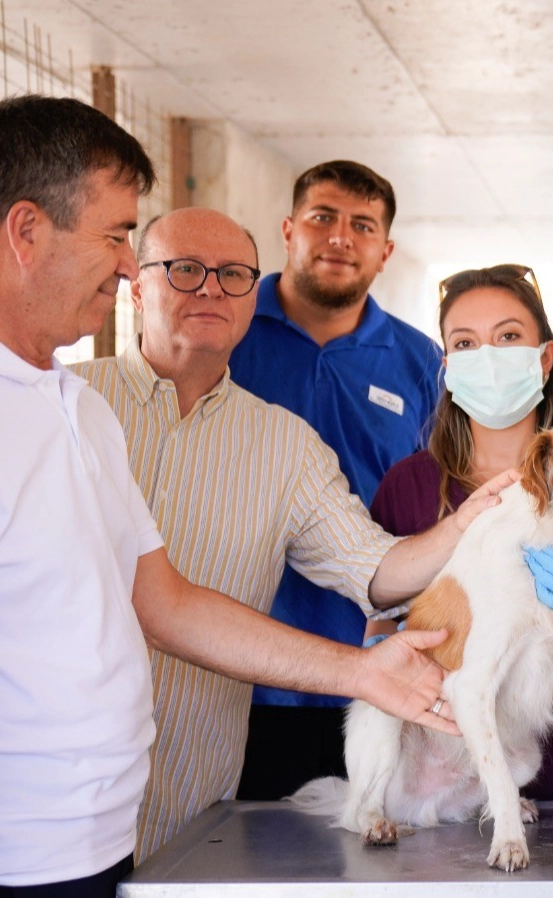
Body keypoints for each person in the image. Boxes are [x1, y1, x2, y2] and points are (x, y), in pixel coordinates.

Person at [0, 95, 456, 899]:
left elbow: (166, 600)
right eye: (122, 241)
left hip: (129, 823)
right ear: (27, 232)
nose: (207, 289)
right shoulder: (80, 395)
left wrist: (367, 666)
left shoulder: (74, 413)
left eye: (232, 276)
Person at [71, 208, 513, 861]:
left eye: (233, 276)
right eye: (184, 270)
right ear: (137, 284)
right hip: (43, 796)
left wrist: (464, 525)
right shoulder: (66, 405)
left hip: (191, 805)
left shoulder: (286, 445)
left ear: (256, 297)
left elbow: (373, 568)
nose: (210, 290)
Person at [368, 263, 553, 799]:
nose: (488, 357)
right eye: (466, 343)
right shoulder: (410, 485)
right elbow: (380, 631)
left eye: (508, 337)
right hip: (453, 769)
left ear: (544, 357)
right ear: (447, 367)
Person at [229, 161, 445, 800]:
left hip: (377, 666)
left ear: (385, 251)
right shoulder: (231, 331)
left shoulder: (420, 361)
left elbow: (430, 503)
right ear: (290, 229)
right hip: (243, 665)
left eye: (362, 225)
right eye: (322, 217)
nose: (340, 238)